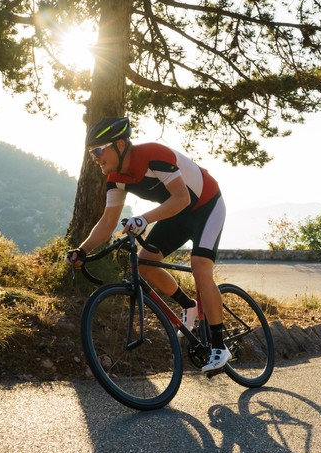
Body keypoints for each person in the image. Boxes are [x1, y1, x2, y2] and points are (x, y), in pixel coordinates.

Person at [66, 116, 231, 372]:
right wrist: (83, 250)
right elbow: (108, 221)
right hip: (177, 213)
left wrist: (144, 219)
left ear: (120, 145)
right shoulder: (116, 178)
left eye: (98, 150)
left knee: (200, 268)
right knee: (144, 265)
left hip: (206, 207)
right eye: (91, 153)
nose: (94, 158)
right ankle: (188, 305)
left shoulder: (153, 155)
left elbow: (182, 197)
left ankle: (220, 345)